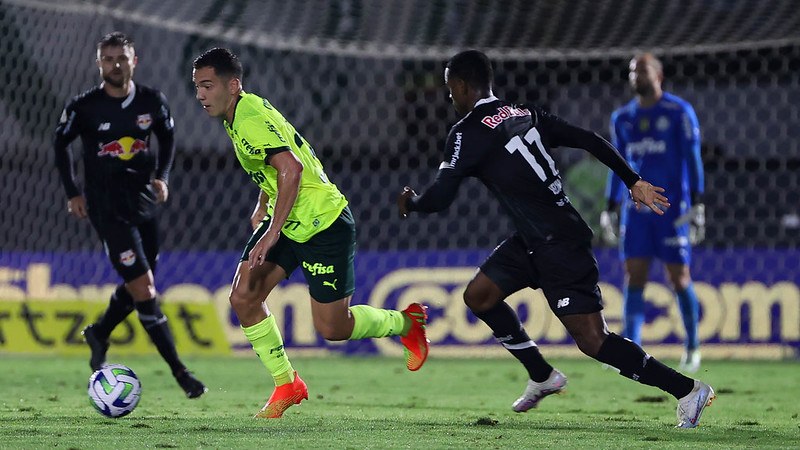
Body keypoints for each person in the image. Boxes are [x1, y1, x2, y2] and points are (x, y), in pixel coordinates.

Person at [397, 50, 714, 428]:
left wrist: (412, 203)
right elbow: (590, 140)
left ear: (463, 86)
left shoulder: (466, 132)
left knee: (594, 341)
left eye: (451, 90)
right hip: (534, 238)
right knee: (478, 295)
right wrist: (632, 180)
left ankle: (688, 390)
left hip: (558, 242)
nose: (450, 98)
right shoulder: (525, 113)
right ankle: (542, 375)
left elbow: (441, 197)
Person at [191, 47, 429, 419]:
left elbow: (292, 168)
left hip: (323, 223)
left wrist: (271, 232)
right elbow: (274, 165)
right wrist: (263, 203)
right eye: (197, 87)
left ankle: (406, 322)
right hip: (287, 220)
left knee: (333, 328)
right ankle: (287, 383)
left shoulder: (248, 116)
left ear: (232, 85)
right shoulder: (240, 112)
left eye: (207, 86)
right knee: (244, 296)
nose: (200, 95)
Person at [54, 32, 206, 398]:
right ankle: (181, 373)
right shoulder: (84, 106)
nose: (115, 65)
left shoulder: (152, 102)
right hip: (106, 210)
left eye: (121, 58)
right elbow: (60, 144)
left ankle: (100, 332)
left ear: (133, 61)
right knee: (146, 290)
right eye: (108, 59)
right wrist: (73, 192)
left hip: (143, 203)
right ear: (99, 64)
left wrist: (162, 177)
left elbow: (167, 139)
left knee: (143, 277)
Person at [600, 53, 705, 373]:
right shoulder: (622, 118)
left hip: (672, 212)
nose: (635, 75)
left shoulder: (678, 112)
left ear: (658, 75)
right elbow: (619, 166)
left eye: (641, 70)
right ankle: (630, 351)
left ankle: (692, 346)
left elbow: (693, 159)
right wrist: (610, 207)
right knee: (634, 277)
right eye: (632, 71)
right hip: (637, 213)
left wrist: (699, 204)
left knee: (678, 277)